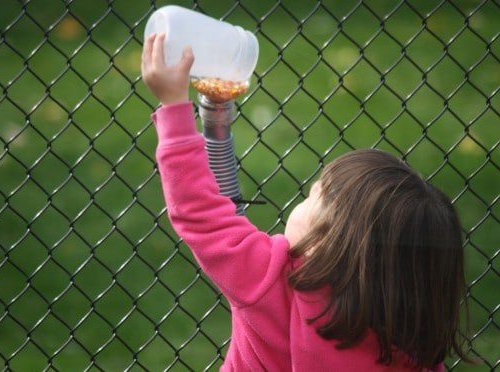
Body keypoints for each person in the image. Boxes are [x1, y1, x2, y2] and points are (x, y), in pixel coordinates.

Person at [141, 32, 471, 371]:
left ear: (329, 242)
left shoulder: (271, 283)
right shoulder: (411, 347)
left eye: (311, 196)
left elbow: (202, 214)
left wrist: (174, 108)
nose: (300, 202)